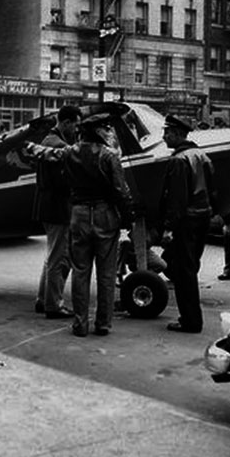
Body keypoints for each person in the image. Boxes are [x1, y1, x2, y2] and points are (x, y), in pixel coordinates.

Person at [28, 113, 133, 337]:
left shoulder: (70, 152)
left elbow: (45, 153)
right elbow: (121, 191)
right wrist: (127, 217)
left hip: (78, 214)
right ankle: (103, 324)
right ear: (97, 131)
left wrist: (29, 146)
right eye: (105, 128)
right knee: (106, 274)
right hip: (105, 216)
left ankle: (80, 324)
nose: (108, 132)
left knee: (80, 272)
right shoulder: (109, 156)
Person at [158, 114, 215, 334]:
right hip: (202, 218)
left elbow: (176, 200)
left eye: (167, 133)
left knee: (184, 272)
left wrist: (169, 228)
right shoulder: (201, 155)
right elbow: (213, 190)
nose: (164, 137)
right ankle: (191, 318)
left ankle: (190, 321)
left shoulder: (178, 160)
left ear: (177, 134)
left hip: (186, 221)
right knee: (190, 267)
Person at [32, 104, 81, 319]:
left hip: (49, 205)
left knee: (52, 255)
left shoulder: (49, 140)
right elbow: (65, 181)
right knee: (58, 257)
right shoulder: (58, 145)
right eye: (75, 124)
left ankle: (44, 299)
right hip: (58, 206)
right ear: (67, 122)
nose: (77, 129)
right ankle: (53, 304)